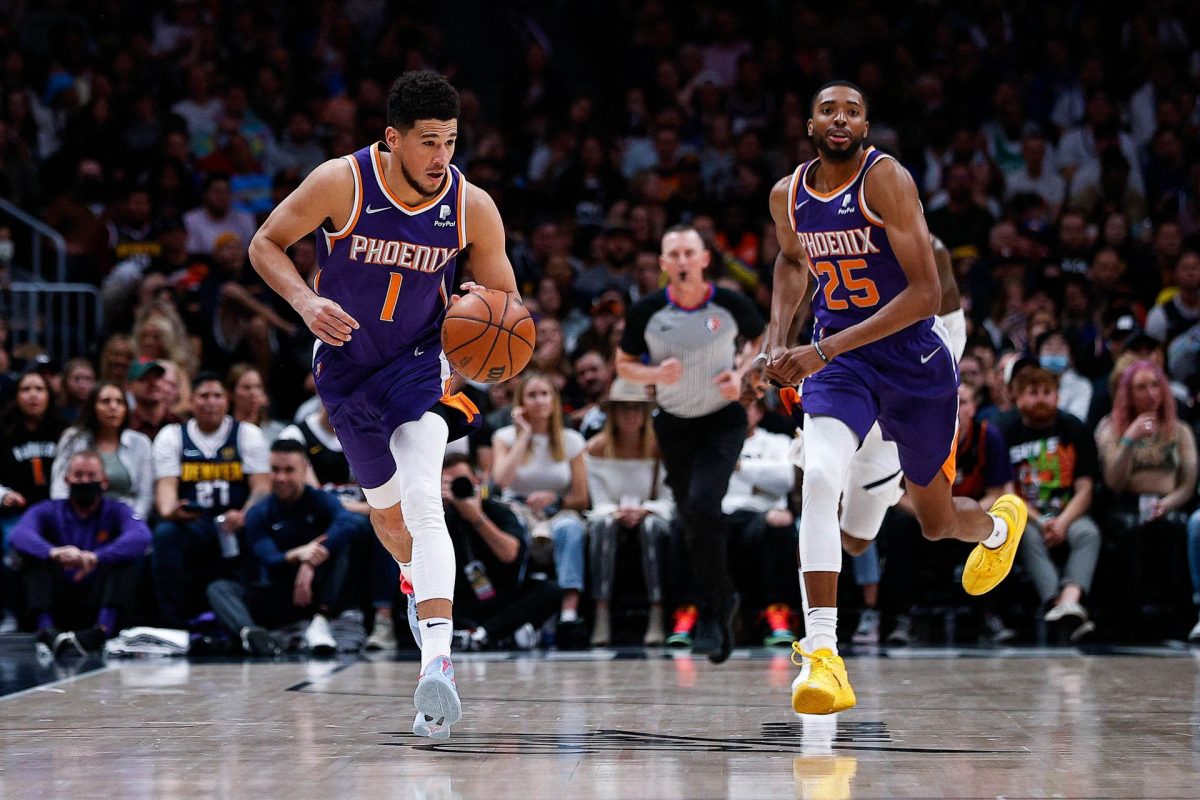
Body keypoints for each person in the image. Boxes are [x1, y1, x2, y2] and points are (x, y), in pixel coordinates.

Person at [249, 70, 520, 739]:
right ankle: (409, 575)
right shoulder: (341, 181)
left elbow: (506, 301)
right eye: (427, 142)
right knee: (390, 517)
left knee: (425, 502)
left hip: (417, 366)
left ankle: (437, 664)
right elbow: (264, 245)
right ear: (392, 138)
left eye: (450, 142)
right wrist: (305, 301)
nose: (440, 158)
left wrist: (479, 314)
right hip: (344, 370)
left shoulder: (471, 206)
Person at [763, 81, 1027, 715]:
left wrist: (818, 351)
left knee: (936, 524)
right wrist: (779, 342)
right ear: (809, 123)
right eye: (828, 108)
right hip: (843, 364)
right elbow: (793, 264)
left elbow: (925, 295)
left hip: (914, 365)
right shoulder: (788, 195)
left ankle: (996, 526)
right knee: (819, 479)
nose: (840, 118)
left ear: (866, 126)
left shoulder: (886, 181)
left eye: (853, 110)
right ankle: (823, 654)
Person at [616, 223, 765, 663]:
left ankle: (713, 612)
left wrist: (741, 373)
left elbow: (762, 337)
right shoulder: (646, 311)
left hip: (723, 421)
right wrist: (652, 375)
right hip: (674, 425)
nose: (681, 261)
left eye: (689, 253)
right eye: (673, 254)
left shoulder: (729, 303)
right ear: (663, 264)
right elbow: (623, 364)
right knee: (692, 521)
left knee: (702, 506)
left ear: (704, 260)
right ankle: (721, 600)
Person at [206, 440, 359, 656]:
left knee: (340, 546)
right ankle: (251, 633)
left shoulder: (321, 500)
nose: (281, 478)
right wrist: (297, 554)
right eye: (275, 470)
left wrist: (309, 560)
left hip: (314, 592)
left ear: (305, 469)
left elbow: (347, 523)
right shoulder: (259, 512)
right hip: (275, 590)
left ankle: (321, 621)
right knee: (219, 588)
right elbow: (268, 557)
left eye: (289, 470)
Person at [151, 372, 271, 628]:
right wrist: (173, 511)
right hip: (195, 522)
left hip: (237, 519)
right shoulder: (171, 435)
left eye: (217, 396)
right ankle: (174, 622)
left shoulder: (246, 434)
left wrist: (244, 514)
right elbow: (165, 492)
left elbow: (261, 488)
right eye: (203, 396)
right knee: (165, 534)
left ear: (226, 400)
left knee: (261, 523)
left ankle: (256, 618)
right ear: (191, 401)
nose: (210, 402)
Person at [10, 451, 151, 657]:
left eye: (91, 476)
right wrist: (54, 553)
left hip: (98, 592)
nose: (85, 481)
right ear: (67, 480)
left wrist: (96, 557)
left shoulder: (117, 509)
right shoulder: (48, 509)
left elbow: (141, 536)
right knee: (32, 558)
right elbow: (19, 535)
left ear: (104, 481)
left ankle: (102, 630)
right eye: (78, 475)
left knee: (129, 559)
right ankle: (46, 630)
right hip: (58, 593)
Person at [999, 366, 1102, 642]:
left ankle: (1070, 599)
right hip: (1027, 513)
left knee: (1088, 533)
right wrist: (1040, 520)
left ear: (1058, 396)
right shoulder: (1005, 430)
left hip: (1068, 512)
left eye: (1048, 392)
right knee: (1024, 535)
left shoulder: (1075, 429)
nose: (1041, 399)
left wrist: (1063, 521)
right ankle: (1058, 605)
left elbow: (1085, 489)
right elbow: (1007, 492)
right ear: (1017, 397)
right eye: (1033, 393)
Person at [1097, 360, 1196, 638]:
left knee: (1177, 526)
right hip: (1125, 503)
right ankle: (1130, 616)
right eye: (1141, 387)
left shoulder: (1180, 430)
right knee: (1130, 530)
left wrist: (1168, 503)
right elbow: (1114, 481)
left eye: (1155, 385)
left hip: (1169, 501)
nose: (1151, 393)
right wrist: (1130, 437)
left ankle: (1176, 616)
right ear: (1128, 393)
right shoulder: (1111, 427)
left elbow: (1188, 484)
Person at [491, 372, 590, 642]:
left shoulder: (571, 440)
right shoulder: (505, 437)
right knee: (513, 532)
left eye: (544, 394)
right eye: (532, 395)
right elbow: (501, 480)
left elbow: (582, 496)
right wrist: (524, 435)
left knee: (571, 529)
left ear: (554, 400)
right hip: (517, 509)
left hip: (557, 512)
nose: (539, 401)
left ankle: (569, 613)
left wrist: (554, 499)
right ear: (520, 402)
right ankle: (520, 614)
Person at [583, 378, 672, 646]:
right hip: (611, 516)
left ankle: (657, 612)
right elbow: (597, 503)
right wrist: (616, 512)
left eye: (637, 409)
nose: (631, 415)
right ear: (612, 414)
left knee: (651, 527)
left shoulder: (659, 447)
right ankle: (601, 612)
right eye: (624, 408)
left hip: (651, 516)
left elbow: (668, 500)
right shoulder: (596, 448)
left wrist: (645, 510)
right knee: (603, 526)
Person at [441, 453, 562, 650]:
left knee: (549, 591)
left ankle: (481, 635)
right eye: (448, 483)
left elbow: (509, 553)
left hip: (505, 596)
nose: (456, 487)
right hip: (460, 599)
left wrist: (476, 517)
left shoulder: (498, 511)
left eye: (461, 481)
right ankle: (502, 635)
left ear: (477, 481)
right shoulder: (437, 517)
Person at [50, 382, 155, 518]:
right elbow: (59, 487)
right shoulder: (73, 438)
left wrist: (132, 523)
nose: (113, 407)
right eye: (106, 401)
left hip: (124, 519)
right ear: (92, 407)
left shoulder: (140, 442)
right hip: (77, 518)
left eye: (119, 402)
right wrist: (67, 520)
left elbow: (145, 496)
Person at [127, 360, 182, 440]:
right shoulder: (126, 426)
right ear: (129, 387)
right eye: (145, 378)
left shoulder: (179, 424)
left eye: (158, 377)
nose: (154, 383)